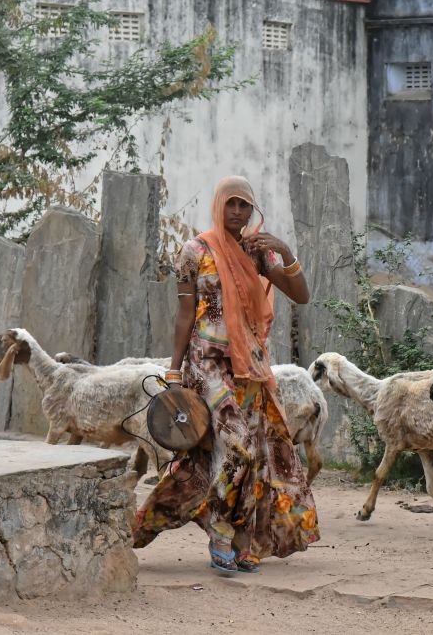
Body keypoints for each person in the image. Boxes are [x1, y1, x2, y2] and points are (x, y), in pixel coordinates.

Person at [132, 175, 319, 573]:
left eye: (244, 205)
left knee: (254, 458)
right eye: (231, 204)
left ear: (253, 210)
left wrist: (285, 251)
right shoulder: (194, 251)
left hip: (248, 367)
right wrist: (174, 371)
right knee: (238, 447)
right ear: (219, 205)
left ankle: (238, 541)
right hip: (207, 364)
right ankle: (220, 535)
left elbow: (301, 295)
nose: (237, 212)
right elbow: (185, 316)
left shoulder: (257, 252)